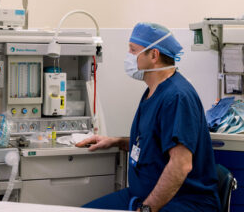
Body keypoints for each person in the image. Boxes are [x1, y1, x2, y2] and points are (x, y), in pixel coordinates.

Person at [76, 22, 220, 212]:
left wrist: (146, 209)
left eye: (133, 50)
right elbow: (152, 144)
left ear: (154, 55)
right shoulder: (153, 92)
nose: (128, 56)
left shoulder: (176, 97)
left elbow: (181, 165)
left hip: (182, 203)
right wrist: (115, 141)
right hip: (141, 196)